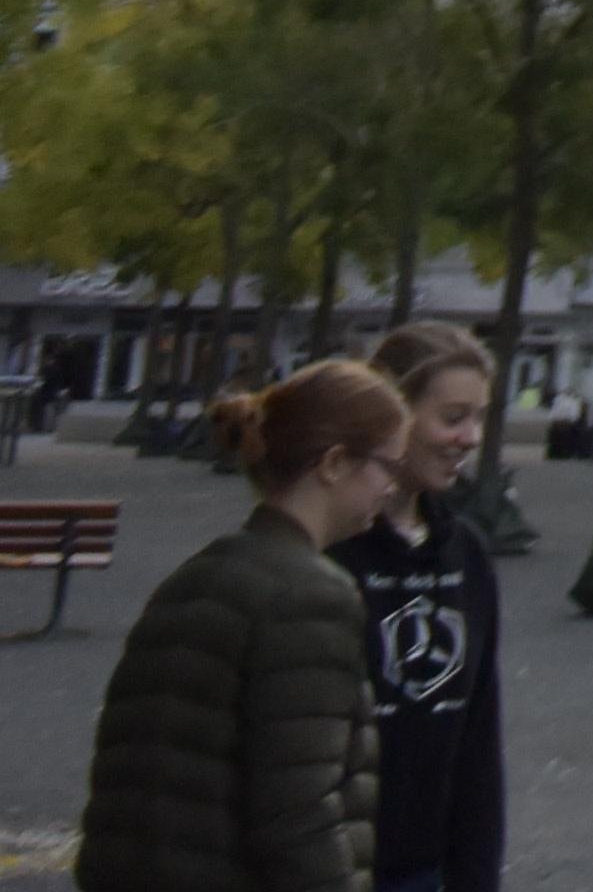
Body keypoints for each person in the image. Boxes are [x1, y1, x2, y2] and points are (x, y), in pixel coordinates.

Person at [78, 357, 398, 892]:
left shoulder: (199, 575)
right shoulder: (310, 593)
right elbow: (300, 816)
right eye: (388, 465)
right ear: (335, 463)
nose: (392, 486)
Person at [344, 323, 506, 892]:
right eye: (453, 416)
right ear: (393, 415)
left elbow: (478, 742)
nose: (469, 437)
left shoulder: (468, 555)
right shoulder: (330, 550)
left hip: (427, 872)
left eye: (479, 418)